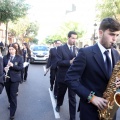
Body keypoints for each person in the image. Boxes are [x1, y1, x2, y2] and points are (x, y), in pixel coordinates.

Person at [65, 18, 120, 120]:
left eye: (117, 35)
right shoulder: (85, 53)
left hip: (110, 110)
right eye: (112, 34)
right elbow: (70, 78)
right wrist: (91, 97)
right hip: (90, 111)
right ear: (100, 33)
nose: (114, 39)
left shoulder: (116, 54)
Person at [55, 31, 79, 120]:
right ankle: (58, 104)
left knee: (72, 98)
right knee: (61, 93)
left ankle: (72, 117)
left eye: (75, 38)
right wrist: (70, 62)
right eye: (73, 38)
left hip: (73, 78)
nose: (74, 40)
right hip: (63, 76)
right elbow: (58, 62)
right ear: (68, 38)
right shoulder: (60, 48)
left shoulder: (77, 49)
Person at [3, 43, 23, 120]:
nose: (11, 51)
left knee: (13, 95)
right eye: (10, 49)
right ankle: (11, 103)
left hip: (15, 80)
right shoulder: (5, 57)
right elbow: (1, 67)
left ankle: (12, 114)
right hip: (6, 79)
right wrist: (4, 69)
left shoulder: (19, 58)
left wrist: (13, 65)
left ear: (15, 50)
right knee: (8, 94)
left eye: (12, 49)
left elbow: (21, 68)